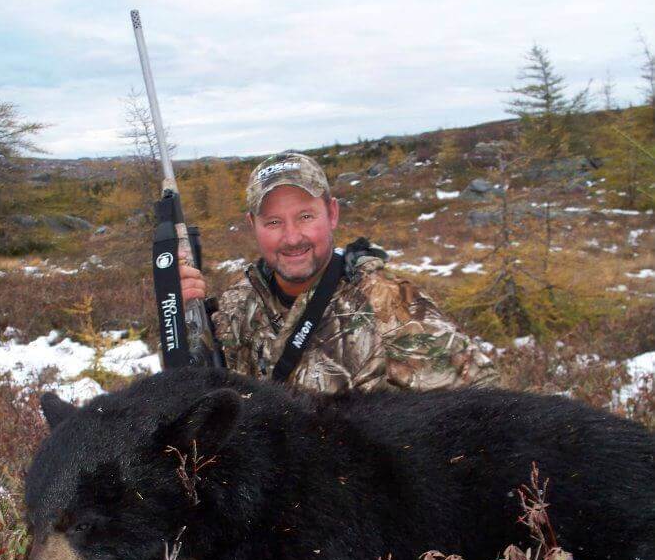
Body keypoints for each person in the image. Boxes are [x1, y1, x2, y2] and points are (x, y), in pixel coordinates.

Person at [179, 151, 496, 394]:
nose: (292, 237)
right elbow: (198, 395)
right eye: (273, 222)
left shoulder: (391, 307)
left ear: (332, 213)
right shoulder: (235, 306)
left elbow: (488, 402)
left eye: (305, 216)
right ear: (253, 225)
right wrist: (179, 316)